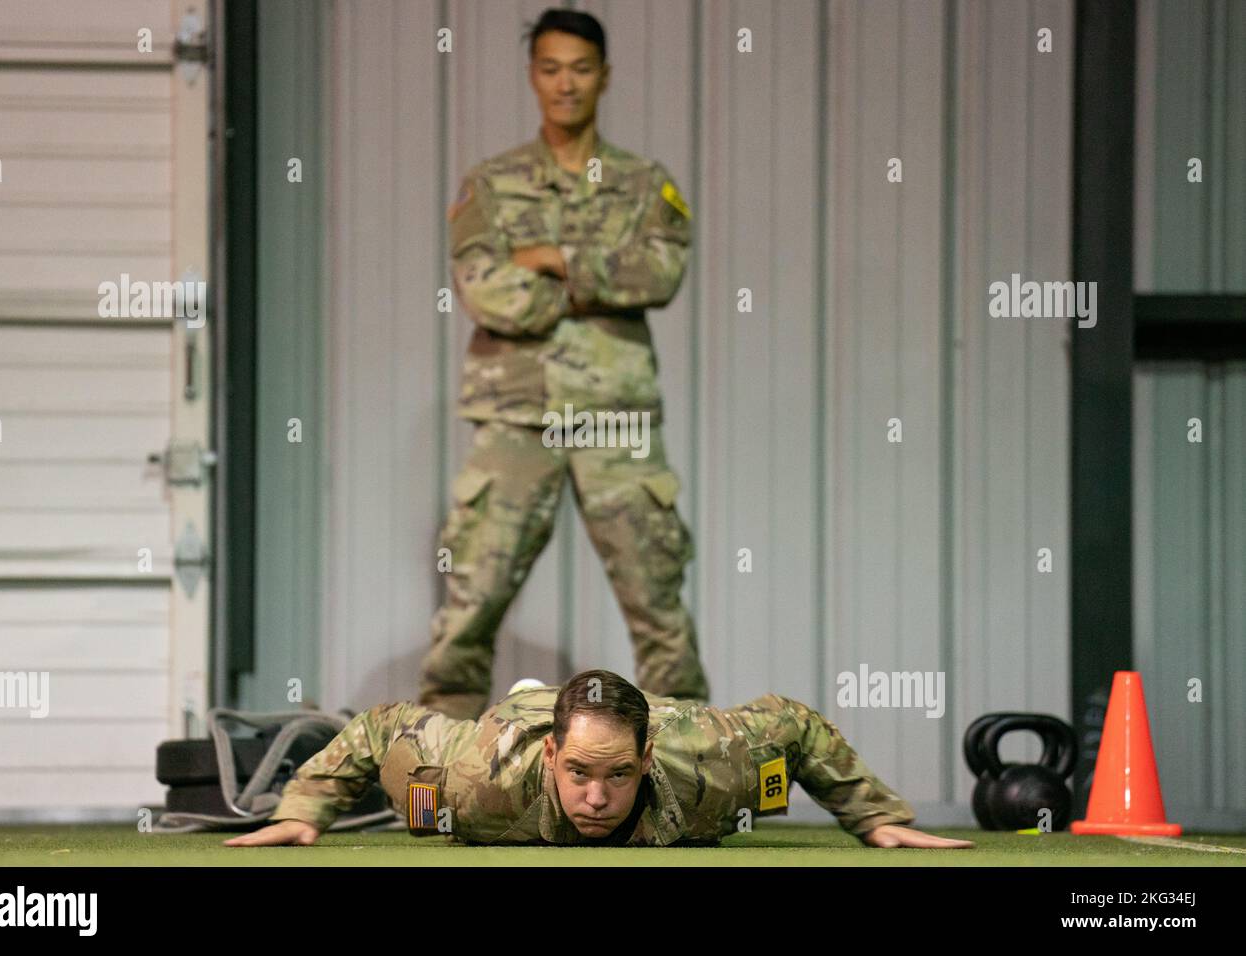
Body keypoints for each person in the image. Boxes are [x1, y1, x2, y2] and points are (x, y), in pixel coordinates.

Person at [420, 8, 708, 720]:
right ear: (532, 76)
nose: (565, 84)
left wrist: (554, 260)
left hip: (615, 418)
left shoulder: (644, 184)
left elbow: (661, 274)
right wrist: (594, 284)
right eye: (550, 69)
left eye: (580, 69)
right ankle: (440, 769)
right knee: (473, 602)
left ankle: (683, 765)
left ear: (604, 77)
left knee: (656, 601)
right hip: (517, 414)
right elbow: (483, 288)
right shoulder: (490, 183)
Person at [226, 669, 973, 849]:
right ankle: (542, 702)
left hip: (665, 719)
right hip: (522, 716)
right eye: (578, 773)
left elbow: (796, 726)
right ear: (553, 757)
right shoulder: (474, 780)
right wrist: (303, 808)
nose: (595, 798)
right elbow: (381, 726)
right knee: (523, 703)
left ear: (644, 763)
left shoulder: (716, 768)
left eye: (617, 775)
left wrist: (874, 817)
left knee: (673, 715)